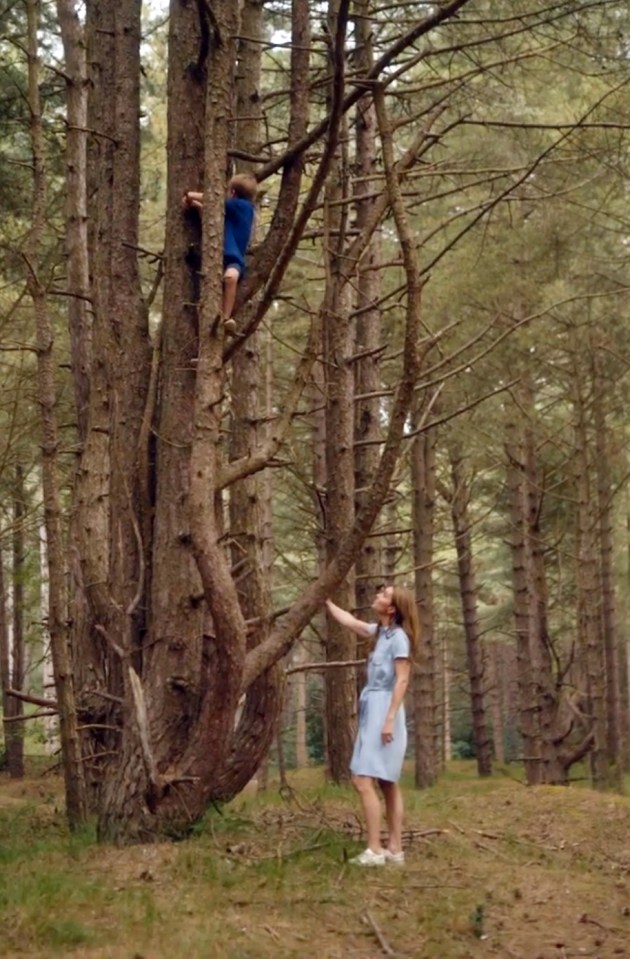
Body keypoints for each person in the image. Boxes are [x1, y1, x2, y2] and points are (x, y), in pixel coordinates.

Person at [325, 584, 419, 866]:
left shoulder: (400, 638)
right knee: (388, 782)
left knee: (362, 779)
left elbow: (402, 679)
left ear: (392, 608)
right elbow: (351, 623)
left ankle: (375, 850)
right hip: (374, 707)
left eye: (384, 595)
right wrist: (326, 601)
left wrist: (389, 718)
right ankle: (395, 849)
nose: (377, 596)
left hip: (385, 709)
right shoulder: (381, 633)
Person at [182, 172, 258, 335]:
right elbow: (214, 217)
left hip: (233, 259)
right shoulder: (234, 212)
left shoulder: (241, 206)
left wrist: (189, 195)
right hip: (221, 257)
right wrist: (195, 205)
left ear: (233, 193)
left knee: (231, 277)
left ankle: (226, 317)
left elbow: (212, 201)